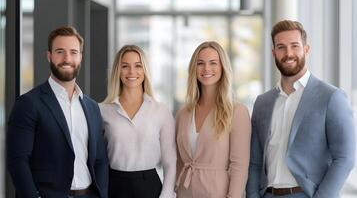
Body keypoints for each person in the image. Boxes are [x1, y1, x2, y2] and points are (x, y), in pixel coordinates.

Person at [246, 20, 355, 198]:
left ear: (306, 49)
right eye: (281, 47)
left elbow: (345, 158)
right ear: (273, 53)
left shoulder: (331, 97)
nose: (288, 53)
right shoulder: (262, 103)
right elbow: (255, 162)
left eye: (294, 46)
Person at [6, 26, 108, 198]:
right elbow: (18, 161)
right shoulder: (28, 104)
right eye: (60, 51)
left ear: (80, 57)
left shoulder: (92, 107)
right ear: (49, 56)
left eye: (73, 52)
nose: (67, 58)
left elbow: (100, 160)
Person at [175, 41, 251, 198]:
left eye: (213, 63)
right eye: (200, 63)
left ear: (223, 67)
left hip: (217, 193)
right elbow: (178, 161)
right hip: (185, 192)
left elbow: (239, 165)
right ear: (193, 69)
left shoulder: (237, 112)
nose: (206, 69)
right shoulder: (183, 113)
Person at [99, 45, 176, 198]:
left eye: (138, 66)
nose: (132, 72)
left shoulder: (161, 111)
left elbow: (170, 161)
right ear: (117, 71)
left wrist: (166, 195)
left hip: (150, 187)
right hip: (114, 186)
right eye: (125, 66)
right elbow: (97, 159)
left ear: (145, 70)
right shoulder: (102, 110)